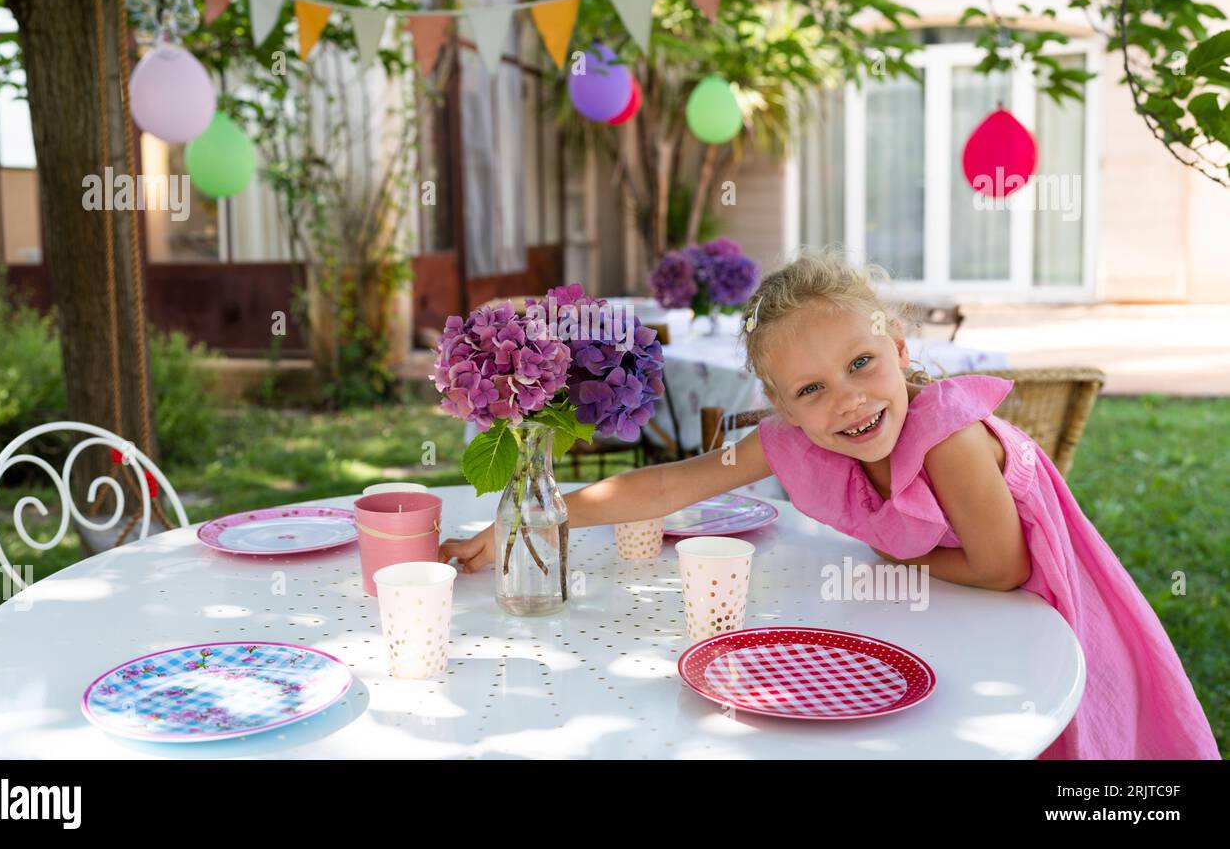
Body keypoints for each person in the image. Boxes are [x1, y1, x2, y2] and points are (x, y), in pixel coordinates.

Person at [440, 247, 1221, 759]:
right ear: (780, 405)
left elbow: (1003, 566)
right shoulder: (797, 441)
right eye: (812, 389)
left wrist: (893, 552)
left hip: (1045, 619)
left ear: (902, 353)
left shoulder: (946, 436)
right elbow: (673, 481)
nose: (847, 400)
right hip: (947, 615)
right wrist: (532, 514)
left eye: (861, 364)